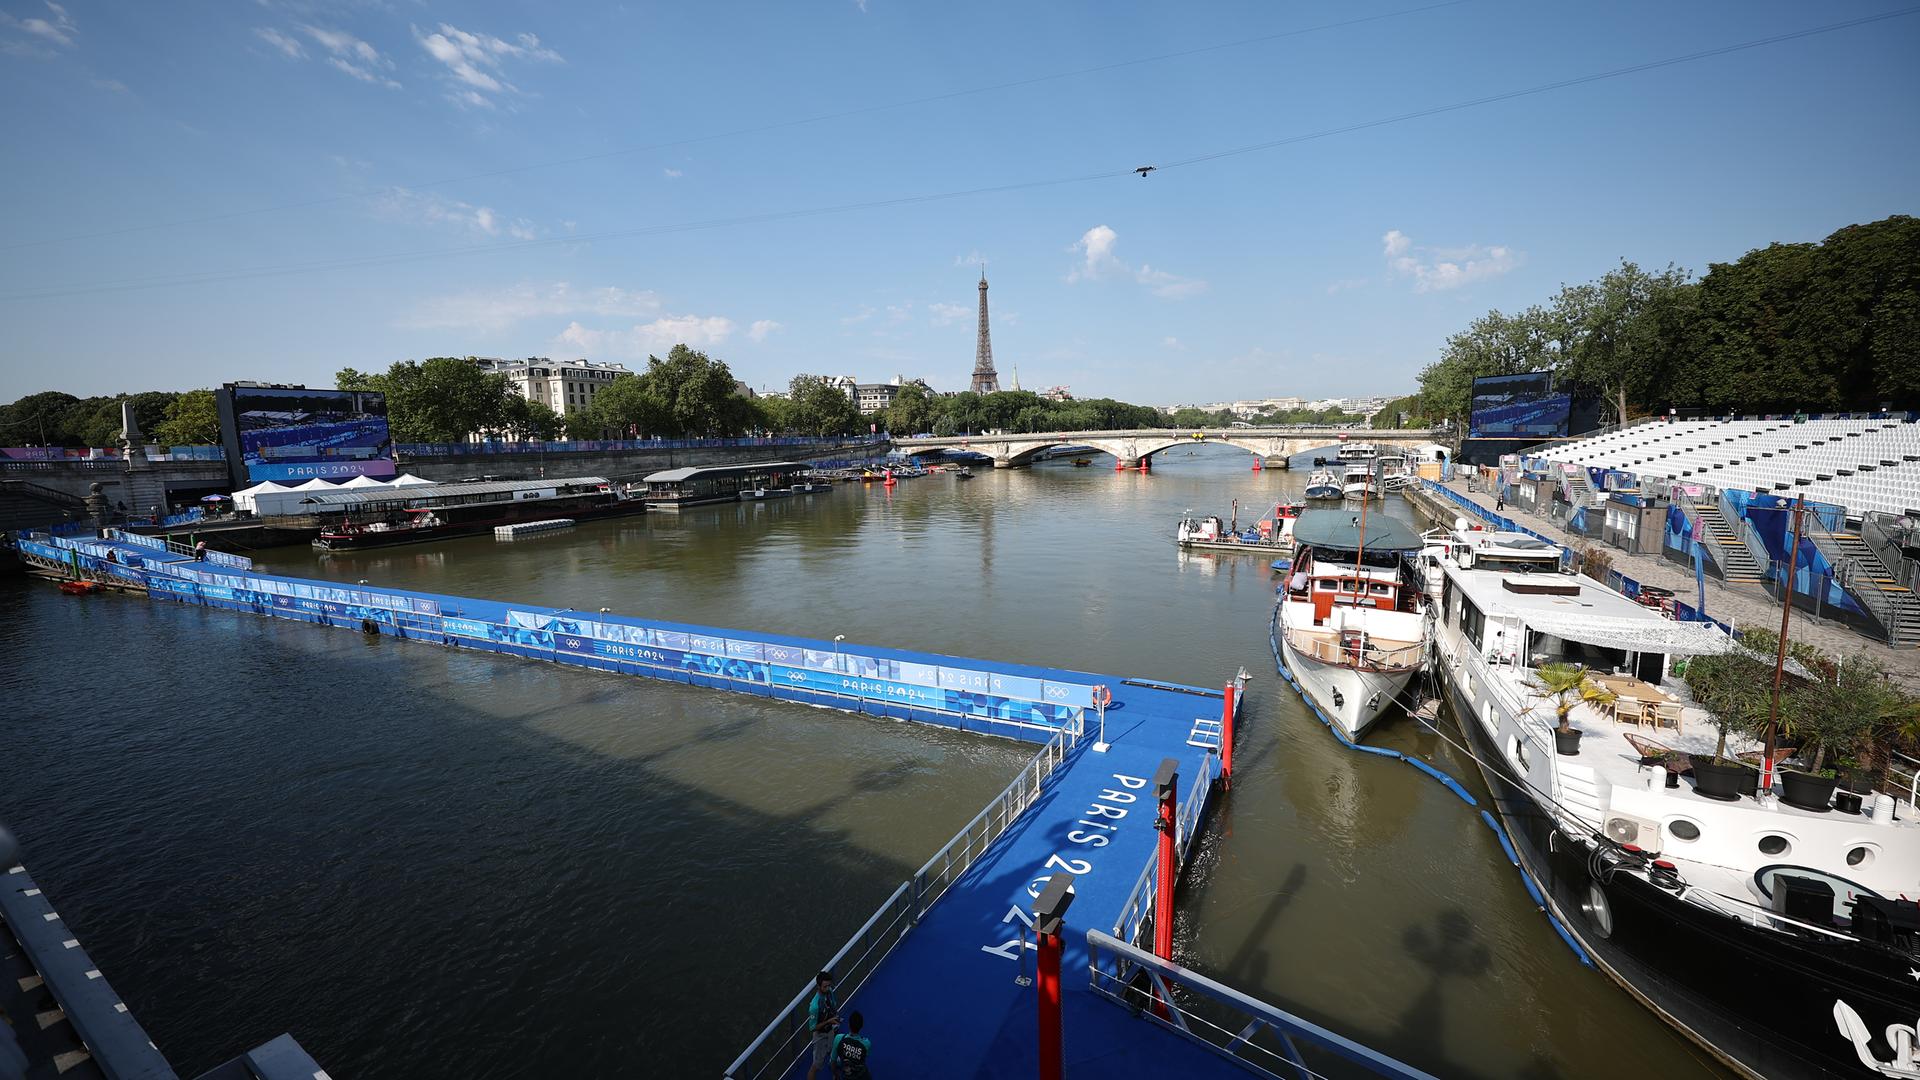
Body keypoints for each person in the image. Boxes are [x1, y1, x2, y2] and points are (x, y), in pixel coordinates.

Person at [805, 970, 839, 1080]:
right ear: (819, 986)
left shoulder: (829, 992)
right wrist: (829, 1021)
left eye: (829, 985)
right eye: (825, 986)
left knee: (832, 1051)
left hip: (831, 1030)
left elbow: (833, 1006)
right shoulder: (814, 1006)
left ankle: (835, 1074)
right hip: (820, 1036)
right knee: (815, 1066)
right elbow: (812, 1028)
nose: (828, 988)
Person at [831, 1011, 871, 1079]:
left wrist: (836, 1076)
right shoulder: (866, 1043)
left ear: (849, 1024)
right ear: (861, 1026)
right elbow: (864, 1057)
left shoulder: (838, 1038)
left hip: (847, 1076)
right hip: (861, 1075)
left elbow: (832, 1062)